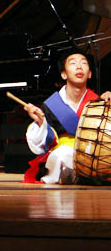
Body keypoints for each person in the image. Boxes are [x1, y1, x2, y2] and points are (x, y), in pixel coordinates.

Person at [23, 49, 111, 184]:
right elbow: (42, 146)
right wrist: (40, 122)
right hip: (63, 156)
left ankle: (76, 176)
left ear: (90, 74)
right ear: (64, 74)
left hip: (93, 156)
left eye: (83, 63)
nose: (79, 67)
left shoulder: (98, 103)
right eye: (73, 63)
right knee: (61, 154)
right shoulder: (52, 105)